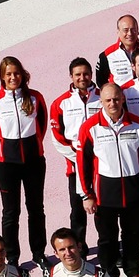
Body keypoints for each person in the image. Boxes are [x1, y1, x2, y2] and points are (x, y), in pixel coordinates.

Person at [76, 82, 139, 277]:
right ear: (101, 101)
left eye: (117, 99)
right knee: (107, 238)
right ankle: (109, 275)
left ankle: (134, 270)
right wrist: (87, 194)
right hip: (104, 193)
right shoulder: (90, 128)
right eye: (108, 100)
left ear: (123, 99)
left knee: (132, 234)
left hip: (133, 189)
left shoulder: (137, 124)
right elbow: (82, 164)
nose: (113, 103)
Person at [0, 56, 49, 268]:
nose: (13, 77)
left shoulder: (36, 98)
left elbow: (42, 124)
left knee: (36, 208)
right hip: (7, 166)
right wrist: (2, 154)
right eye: (9, 74)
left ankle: (38, 252)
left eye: (16, 73)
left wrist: (34, 147)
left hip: (34, 162)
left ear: (22, 74)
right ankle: (12, 256)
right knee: (11, 212)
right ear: (2, 76)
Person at [48, 57, 100, 245]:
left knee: (103, 212)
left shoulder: (103, 97)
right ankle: (80, 248)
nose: (82, 77)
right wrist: (80, 158)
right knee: (77, 212)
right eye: (78, 74)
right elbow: (57, 138)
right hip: (74, 168)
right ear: (71, 76)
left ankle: (106, 249)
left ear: (91, 74)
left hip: (102, 166)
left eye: (86, 73)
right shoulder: (60, 103)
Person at [94, 14, 139, 88]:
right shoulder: (107, 54)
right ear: (118, 32)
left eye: (133, 29)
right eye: (125, 30)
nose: (130, 33)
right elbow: (101, 82)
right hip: (121, 98)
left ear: (138, 31)